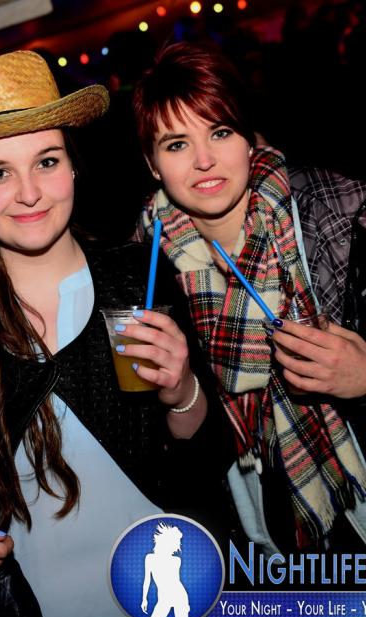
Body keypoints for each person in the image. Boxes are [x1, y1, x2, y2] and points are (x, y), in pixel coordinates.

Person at [0, 50, 234, 617]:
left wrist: (183, 391)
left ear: (74, 167)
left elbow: (209, 460)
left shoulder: (136, 275)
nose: (29, 193)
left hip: (177, 609)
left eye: (47, 161)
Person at [132, 41, 366, 557]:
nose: (204, 161)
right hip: (256, 533)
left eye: (220, 132)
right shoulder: (144, 268)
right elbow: (173, 463)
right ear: (152, 164)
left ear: (248, 138)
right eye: (176, 144)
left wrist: (364, 377)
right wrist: (181, 396)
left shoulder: (338, 216)